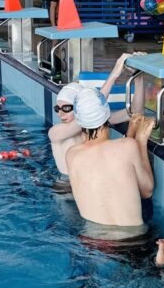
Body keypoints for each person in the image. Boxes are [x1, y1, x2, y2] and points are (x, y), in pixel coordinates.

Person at [66, 88, 155, 246]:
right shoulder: (128, 146)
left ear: (79, 121)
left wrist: (131, 133)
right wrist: (141, 142)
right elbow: (146, 191)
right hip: (132, 242)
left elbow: (109, 170)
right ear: (107, 113)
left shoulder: (71, 155)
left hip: (91, 243)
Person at [47, 53, 147, 187]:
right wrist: (114, 73)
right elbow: (92, 109)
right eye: (57, 109)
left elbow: (136, 112)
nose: (60, 113)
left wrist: (139, 78)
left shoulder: (96, 124)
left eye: (66, 108)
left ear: (78, 107)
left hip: (92, 187)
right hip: (65, 190)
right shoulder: (55, 133)